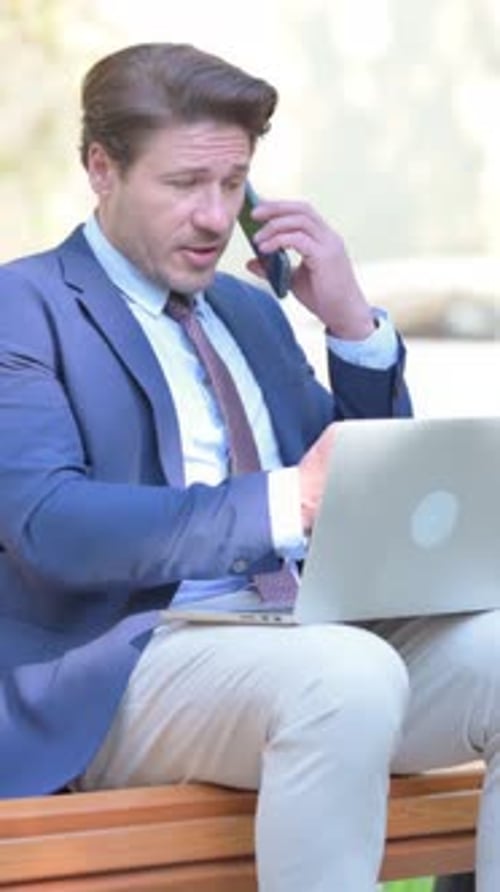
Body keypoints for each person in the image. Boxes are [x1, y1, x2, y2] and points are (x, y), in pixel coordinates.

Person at [0, 42, 499, 892]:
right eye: (185, 183)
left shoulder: (246, 310)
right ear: (100, 168)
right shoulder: (26, 306)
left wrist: (349, 324)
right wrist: (283, 501)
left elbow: (365, 491)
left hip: (306, 643)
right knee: (347, 674)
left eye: (233, 186)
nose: (214, 216)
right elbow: (50, 525)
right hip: (129, 666)